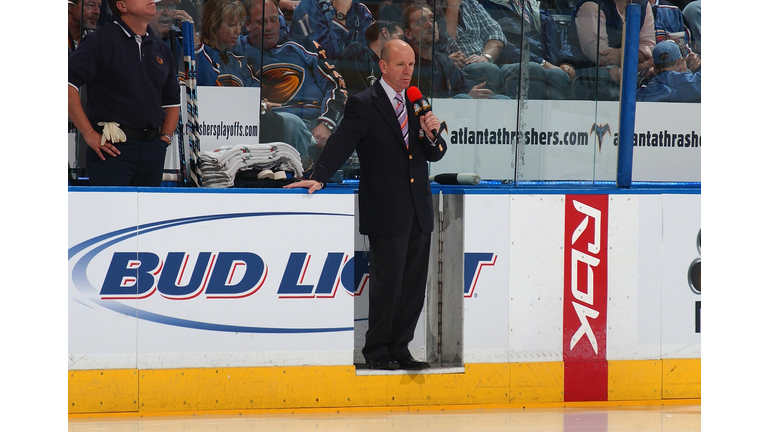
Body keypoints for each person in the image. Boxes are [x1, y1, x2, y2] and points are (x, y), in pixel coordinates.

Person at [285, 40, 447, 371]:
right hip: (386, 208)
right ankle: (377, 349)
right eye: (400, 64)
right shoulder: (364, 104)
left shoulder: (417, 104)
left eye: (412, 65)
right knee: (388, 283)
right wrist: (320, 175)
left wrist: (433, 134)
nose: (407, 71)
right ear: (383, 66)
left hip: (419, 207)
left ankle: (401, 348)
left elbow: (434, 153)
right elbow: (342, 141)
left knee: (414, 284)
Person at [68, 0, 181, 186]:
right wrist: (88, 133)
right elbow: (67, 82)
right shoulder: (101, 40)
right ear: (122, 6)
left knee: (150, 215)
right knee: (111, 213)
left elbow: (171, 103)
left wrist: (164, 141)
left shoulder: (161, 48)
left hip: (153, 150)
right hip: (111, 150)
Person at [241, 0, 347, 152]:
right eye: (262, 22)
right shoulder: (239, 52)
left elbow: (337, 85)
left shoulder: (305, 46)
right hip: (273, 127)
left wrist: (326, 124)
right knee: (291, 123)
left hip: (316, 124)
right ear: (247, 25)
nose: (270, 28)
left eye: (273, 20)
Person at [476, 0, 575, 99]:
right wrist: (542, 63)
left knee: (559, 74)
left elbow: (559, 34)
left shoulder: (536, 6)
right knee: (549, 73)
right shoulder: (488, 6)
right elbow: (504, 45)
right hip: (518, 66)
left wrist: (565, 61)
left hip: (549, 66)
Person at [402, 4, 497, 99]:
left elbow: (465, 91)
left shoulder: (445, 61)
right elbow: (421, 103)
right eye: (421, 21)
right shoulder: (408, 66)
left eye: (432, 19)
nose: (430, 25)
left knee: (499, 99)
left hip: (455, 111)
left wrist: (475, 94)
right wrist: (467, 97)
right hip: (430, 113)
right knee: (464, 98)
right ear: (408, 33)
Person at [567, 0, 656, 82]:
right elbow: (602, 57)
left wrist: (622, 54)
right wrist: (640, 62)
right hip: (592, 77)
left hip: (631, 68)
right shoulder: (591, 5)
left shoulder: (643, 4)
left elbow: (649, 46)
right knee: (615, 74)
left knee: (657, 71)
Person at [440, 0, 509, 95]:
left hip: (487, 61)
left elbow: (496, 33)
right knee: (488, 69)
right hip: (461, 70)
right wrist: (453, 7)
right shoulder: (432, 8)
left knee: (532, 69)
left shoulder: (471, 3)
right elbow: (446, 45)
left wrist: (486, 57)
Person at [335, 19, 404, 96]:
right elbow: (356, 95)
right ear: (385, 33)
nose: (404, 44)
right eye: (400, 38)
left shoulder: (386, 69)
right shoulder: (357, 51)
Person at [291, 0, 374, 59]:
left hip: (354, 77)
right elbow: (327, 58)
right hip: (317, 77)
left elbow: (367, 59)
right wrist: (341, 15)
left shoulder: (362, 11)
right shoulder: (307, 7)